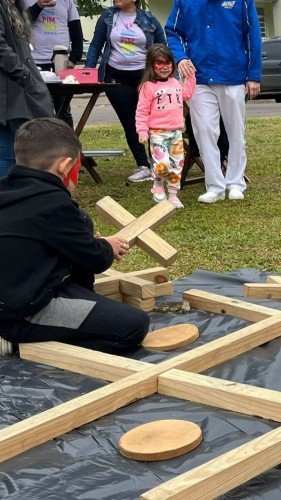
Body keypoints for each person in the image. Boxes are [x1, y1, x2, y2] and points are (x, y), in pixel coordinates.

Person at [0, 118, 149, 356]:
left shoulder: (7, 190)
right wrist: (105, 246)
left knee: (82, 223)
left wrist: (91, 242)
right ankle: (17, 343)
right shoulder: (53, 203)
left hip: (14, 292)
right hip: (23, 311)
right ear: (65, 166)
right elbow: (96, 260)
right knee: (133, 326)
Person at [165, 0, 261, 203]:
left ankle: (235, 182)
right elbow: (173, 31)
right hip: (198, 77)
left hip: (233, 75)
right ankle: (215, 185)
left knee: (236, 131)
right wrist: (181, 57)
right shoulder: (184, 1)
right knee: (204, 130)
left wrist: (254, 74)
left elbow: (252, 35)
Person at [85, 0, 165, 184]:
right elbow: (96, 46)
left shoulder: (149, 18)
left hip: (145, 76)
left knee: (152, 121)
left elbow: (162, 48)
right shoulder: (107, 17)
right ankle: (143, 166)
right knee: (131, 121)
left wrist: (169, 77)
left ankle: (158, 163)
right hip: (115, 76)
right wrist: (87, 71)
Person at [135, 44, 195, 209]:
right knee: (163, 164)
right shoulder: (148, 87)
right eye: (159, 63)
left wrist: (190, 76)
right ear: (151, 65)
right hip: (157, 133)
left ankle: (174, 195)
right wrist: (142, 131)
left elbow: (187, 94)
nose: (164, 67)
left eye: (167, 63)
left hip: (176, 133)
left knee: (178, 164)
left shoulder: (175, 82)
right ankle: (158, 185)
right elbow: (141, 112)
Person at [0, 0, 54, 177]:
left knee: (11, 151)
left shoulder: (15, 6)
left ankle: (14, 198)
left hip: (17, 90)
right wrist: (24, 75)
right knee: (23, 153)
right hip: (12, 93)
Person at [26, 0, 82, 127]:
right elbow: (21, 23)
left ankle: (69, 145)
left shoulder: (67, 2)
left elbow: (76, 30)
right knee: (37, 110)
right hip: (35, 61)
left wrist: (74, 58)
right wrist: (38, 6)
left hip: (61, 61)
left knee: (63, 109)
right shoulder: (24, 1)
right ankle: (40, 144)